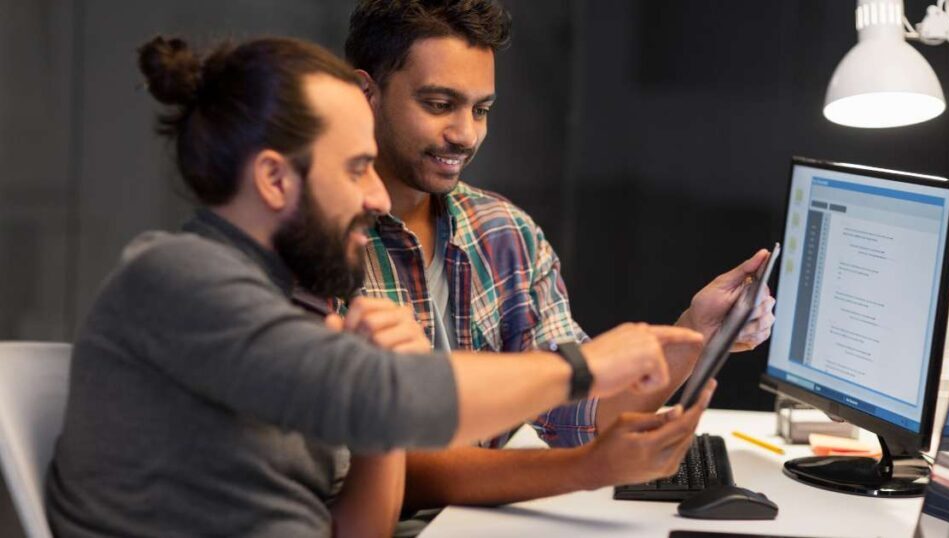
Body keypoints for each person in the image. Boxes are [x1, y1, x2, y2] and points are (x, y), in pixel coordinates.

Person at [44, 35, 706, 538]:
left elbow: (357, 525)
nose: (376, 197)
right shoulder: (177, 280)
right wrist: (583, 368)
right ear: (275, 180)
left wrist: (379, 421)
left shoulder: (288, 304)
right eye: (358, 167)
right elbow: (392, 398)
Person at [342, 0, 776, 514]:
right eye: (440, 104)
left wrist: (698, 334)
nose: (466, 134)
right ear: (365, 94)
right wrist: (587, 470)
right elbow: (387, 469)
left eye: (481, 109)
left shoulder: (504, 232)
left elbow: (582, 416)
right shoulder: (315, 242)